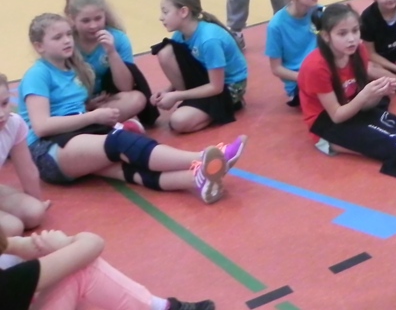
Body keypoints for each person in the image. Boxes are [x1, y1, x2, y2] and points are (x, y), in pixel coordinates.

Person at [18, 14, 245, 204]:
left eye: (68, 34)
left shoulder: (71, 68)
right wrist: (93, 116)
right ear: (39, 46)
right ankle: (204, 158)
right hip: (48, 150)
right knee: (121, 142)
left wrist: (89, 107)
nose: (67, 40)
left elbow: (65, 107)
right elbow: (41, 126)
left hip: (75, 136)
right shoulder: (38, 74)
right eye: (57, 37)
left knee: (127, 165)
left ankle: (195, 179)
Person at [297, 2, 396, 175]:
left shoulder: (358, 52)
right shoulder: (316, 67)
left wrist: (378, 94)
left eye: (355, 30)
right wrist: (365, 95)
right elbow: (337, 116)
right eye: (342, 33)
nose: (351, 38)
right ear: (326, 36)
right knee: (389, 142)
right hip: (326, 124)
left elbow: (364, 106)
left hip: (352, 108)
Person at [0, 228, 214, 310]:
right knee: (79, 270)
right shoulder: (10, 282)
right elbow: (93, 244)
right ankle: (161, 308)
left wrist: (14, 245)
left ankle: (160, 307)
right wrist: (63, 244)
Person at [151, 0, 249, 134]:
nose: (161, 17)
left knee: (178, 122)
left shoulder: (209, 40)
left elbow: (216, 87)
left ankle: (226, 107)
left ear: (183, 12)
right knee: (165, 52)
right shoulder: (179, 35)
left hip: (228, 86)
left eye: (165, 12)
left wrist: (176, 96)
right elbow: (187, 67)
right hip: (207, 78)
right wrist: (167, 91)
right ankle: (195, 103)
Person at [64, 0, 157, 127]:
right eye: (86, 21)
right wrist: (86, 103)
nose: (93, 25)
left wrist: (112, 52)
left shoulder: (118, 39)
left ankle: (90, 126)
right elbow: (58, 85)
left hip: (106, 101)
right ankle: (93, 125)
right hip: (75, 103)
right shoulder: (66, 42)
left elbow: (126, 87)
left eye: (98, 18)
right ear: (72, 19)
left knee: (137, 99)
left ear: (105, 15)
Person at [0, 74, 48, 236]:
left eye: (4, 103)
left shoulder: (14, 124)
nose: (1, 114)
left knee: (35, 212)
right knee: (12, 228)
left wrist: (37, 200)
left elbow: (27, 169)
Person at [265, 0, 320, 107]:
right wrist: (304, 77)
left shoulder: (320, 12)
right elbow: (276, 68)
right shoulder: (276, 26)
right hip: (299, 81)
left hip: (321, 70)